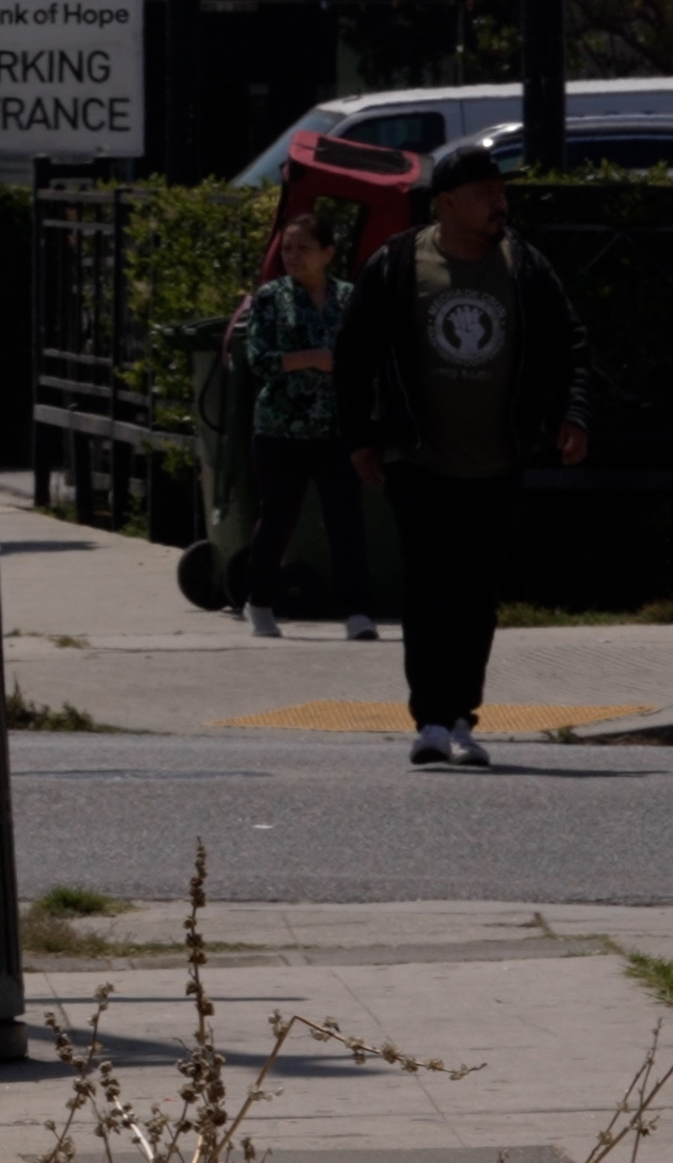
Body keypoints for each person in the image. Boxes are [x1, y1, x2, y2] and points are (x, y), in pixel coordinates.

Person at [332, 142, 592, 768]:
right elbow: (354, 353)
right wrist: (361, 437)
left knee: (476, 592)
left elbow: (570, 344)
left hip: (498, 459)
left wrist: (573, 415)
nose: (499, 204)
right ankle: (428, 721)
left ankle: (462, 718)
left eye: (501, 192)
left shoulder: (524, 266)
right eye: (484, 194)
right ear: (446, 203)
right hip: (418, 456)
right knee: (428, 585)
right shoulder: (398, 265)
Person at [228, 208, 371, 641]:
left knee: (345, 519)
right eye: (286, 248)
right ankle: (260, 601)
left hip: (334, 429)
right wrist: (308, 359)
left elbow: (365, 352)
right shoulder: (271, 298)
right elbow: (257, 361)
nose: (293, 256)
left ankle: (358, 613)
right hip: (280, 430)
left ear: (328, 253)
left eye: (303, 248)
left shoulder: (349, 297)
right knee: (278, 520)